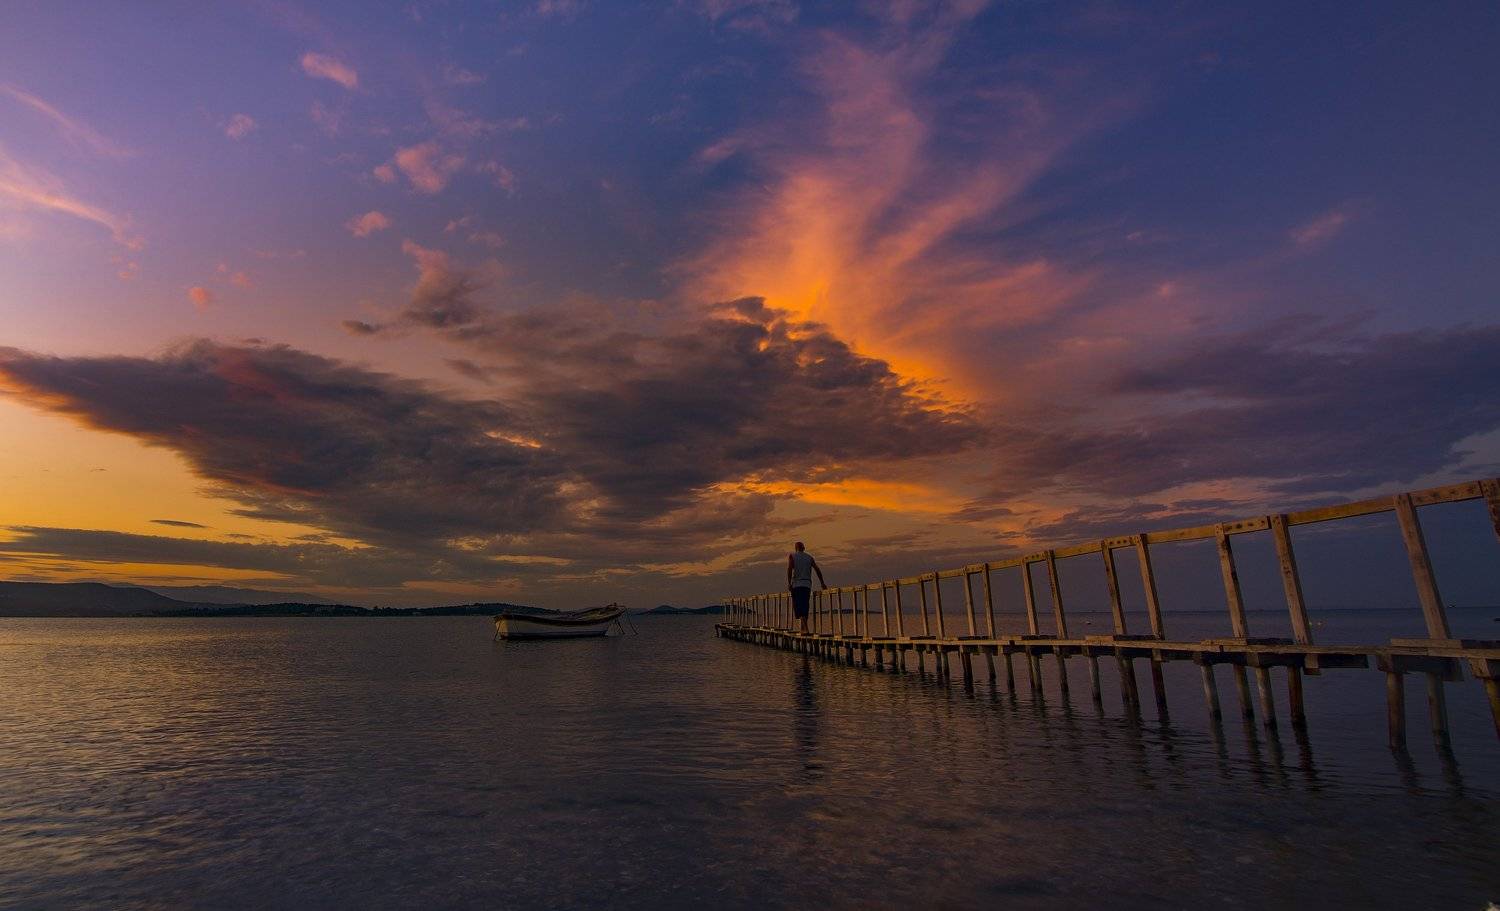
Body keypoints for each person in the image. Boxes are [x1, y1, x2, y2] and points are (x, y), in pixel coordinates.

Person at [786, 541, 826, 633]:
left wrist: (789, 583)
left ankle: (805, 628)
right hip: (807, 584)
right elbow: (817, 569)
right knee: (805, 605)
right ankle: (803, 628)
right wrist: (822, 583)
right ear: (804, 548)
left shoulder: (792, 556)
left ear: (796, 548)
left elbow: (789, 569)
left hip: (797, 584)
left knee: (799, 606)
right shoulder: (809, 557)